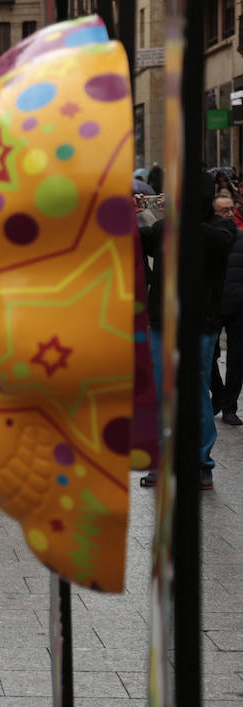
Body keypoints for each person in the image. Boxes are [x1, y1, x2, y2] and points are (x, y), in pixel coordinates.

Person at [140, 180, 236, 490]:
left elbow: (215, 242)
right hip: (162, 325)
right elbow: (137, 240)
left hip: (199, 326)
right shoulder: (164, 228)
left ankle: (200, 463)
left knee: (194, 395)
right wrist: (133, 213)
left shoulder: (220, 229)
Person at [212, 191, 243, 426]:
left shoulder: (241, 237)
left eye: (232, 209)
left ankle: (230, 406)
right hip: (211, 307)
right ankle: (218, 394)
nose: (229, 214)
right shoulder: (206, 238)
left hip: (239, 308)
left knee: (237, 360)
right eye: (224, 210)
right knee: (207, 356)